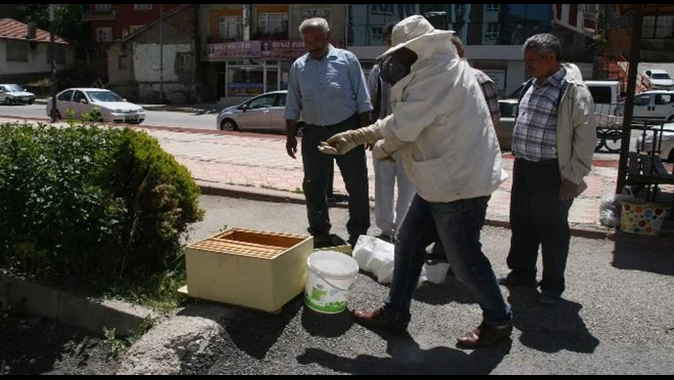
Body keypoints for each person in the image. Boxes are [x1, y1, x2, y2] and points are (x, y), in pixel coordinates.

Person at [318, 15, 513, 348]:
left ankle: (499, 319)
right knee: (407, 245)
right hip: (441, 181)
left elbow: (403, 130)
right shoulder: (437, 70)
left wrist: (378, 148)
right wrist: (358, 135)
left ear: (420, 48)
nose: (396, 58)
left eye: (401, 51)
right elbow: (403, 117)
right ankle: (395, 313)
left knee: (466, 263)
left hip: (457, 186)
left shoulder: (438, 78)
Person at [498, 33, 596, 308]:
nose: (528, 65)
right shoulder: (532, 85)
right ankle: (522, 274)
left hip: (552, 172)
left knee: (552, 231)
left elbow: (586, 140)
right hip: (525, 167)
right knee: (522, 224)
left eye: (532, 60)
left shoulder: (572, 90)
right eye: (526, 60)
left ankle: (552, 286)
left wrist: (573, 179)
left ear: (551, 57)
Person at [284, 17, 372, 248]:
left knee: (356, 184)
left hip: (348, 128)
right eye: (308, 40)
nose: (314, 44)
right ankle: (320, 231)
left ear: (328, 35)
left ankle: (359, 233)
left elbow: (363, 99)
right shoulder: (299, 66)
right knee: (313, 185)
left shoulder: (347, 60)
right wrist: (290, 135)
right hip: (313, 133)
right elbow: (292, 102)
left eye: (318, 38)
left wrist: (365, 133)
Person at [427, 35, 501, 265]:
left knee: (467, 222)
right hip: (444, 162)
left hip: (472, 163)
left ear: (459, 52)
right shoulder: (439, 81)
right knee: (444, 213)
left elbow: (491, 123)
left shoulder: (479, 80)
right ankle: (443, 255)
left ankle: (470, 267)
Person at [367, 22, 415, 242]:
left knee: (408, 187)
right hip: (384, 136)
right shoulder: (379, 69)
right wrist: (370, 133)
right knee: (383, 185)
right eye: (388, 42)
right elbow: (372, 102)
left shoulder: (418, 69)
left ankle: (404, 230)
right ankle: (386, 229)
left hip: (410, 140)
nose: (391, 47)